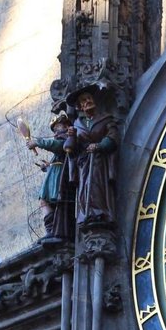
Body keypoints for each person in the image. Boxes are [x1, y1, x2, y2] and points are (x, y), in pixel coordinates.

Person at [63, 87, 120, 226]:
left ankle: (101, 213)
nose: (88, 101)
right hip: (84, 163)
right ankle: (87, 214)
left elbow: (113, 136)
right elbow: (70, 149)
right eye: (84, 100)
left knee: (96, 185)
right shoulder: (77, 124)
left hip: (100, 160)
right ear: (80, 106)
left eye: (89, 98)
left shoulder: (105, 119)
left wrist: (99, 146)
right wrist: (71, 136)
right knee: (84, 188)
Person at [24, 112, 74, 241]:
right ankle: (51, 230)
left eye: (58, 128)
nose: (56, 133)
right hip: (55, 178)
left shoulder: (68, 139)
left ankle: (55, 231)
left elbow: (57, 146)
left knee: (53, 202)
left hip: (61, 179)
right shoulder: (62, 140)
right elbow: (57, 159)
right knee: (44, 201)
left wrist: (37, 142)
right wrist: (47, 166)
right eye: (54, 130)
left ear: (66, 126)